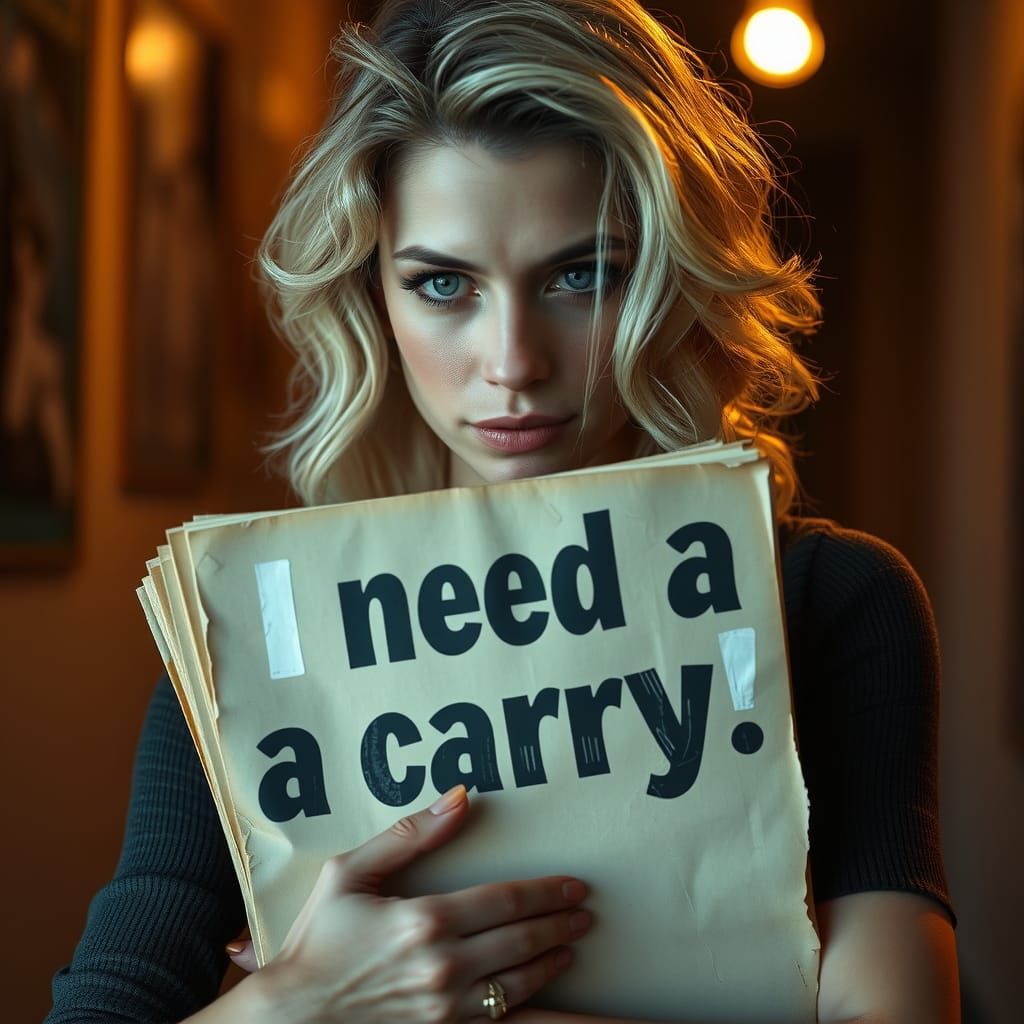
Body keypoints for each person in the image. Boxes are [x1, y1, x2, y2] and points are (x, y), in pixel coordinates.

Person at [46, 1, 959, 1021]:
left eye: (581, 274)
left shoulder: (834, 603)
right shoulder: (256, 642)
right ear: (370, 299)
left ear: (667, 275)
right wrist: (293, 1005)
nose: (514, 362)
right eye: (443, 283)